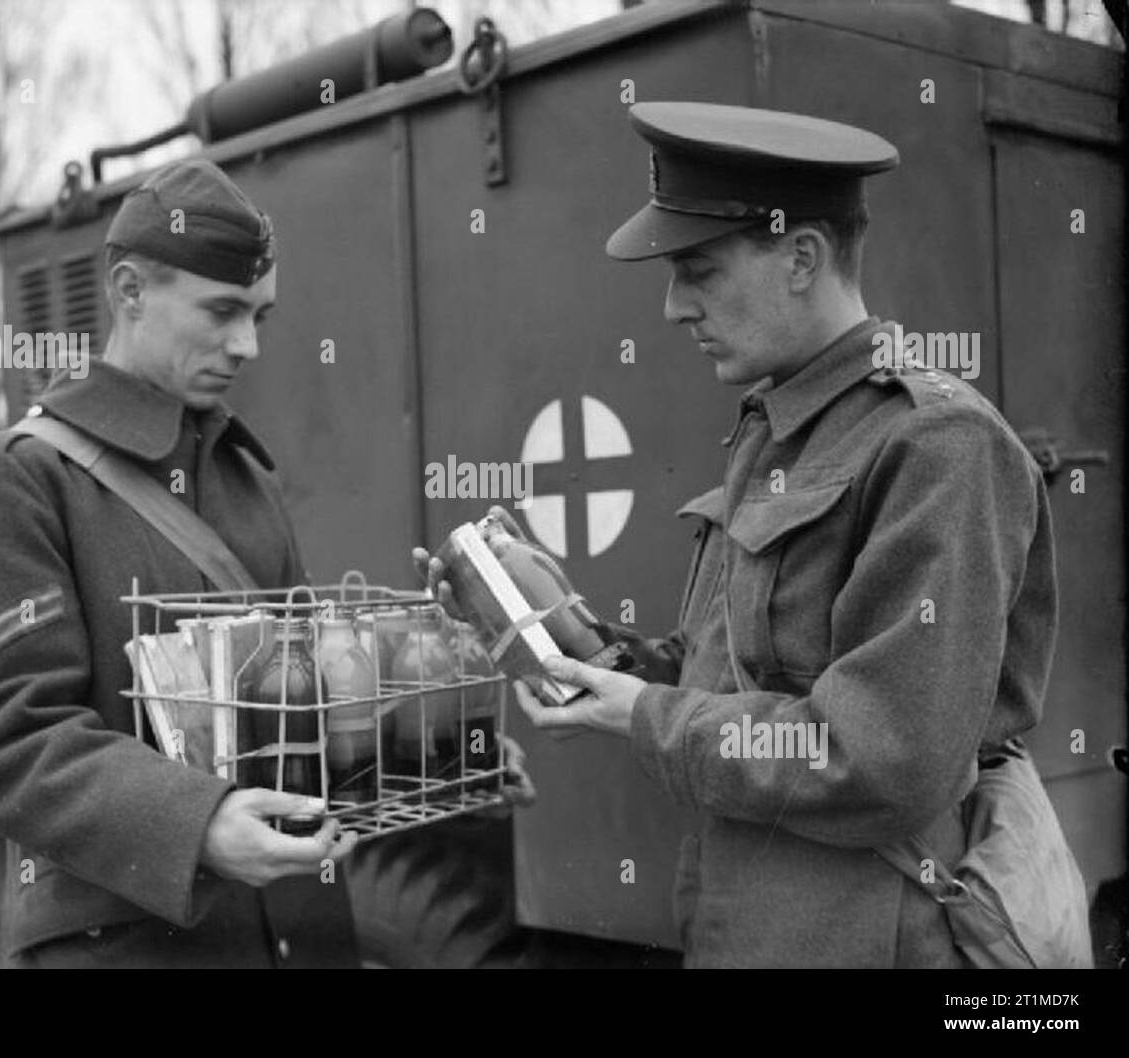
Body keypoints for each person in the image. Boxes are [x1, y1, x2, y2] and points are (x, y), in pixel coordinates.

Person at [422, 103, 1057, 968]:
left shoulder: (938, 446)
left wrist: (648, 717)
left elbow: (883, 760)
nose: (674, 307)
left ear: (801, 257)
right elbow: (725, 674)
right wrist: (562, 630)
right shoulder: (778, 422)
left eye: (700, 271)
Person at [0, 159, 357, 969]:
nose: (248, 344)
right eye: (223, 311)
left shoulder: (245, 475)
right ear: (129, 292)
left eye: (260, 314)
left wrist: (442, 754)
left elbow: (293, 696)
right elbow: (9, 738)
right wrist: (199, 824)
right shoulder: (17, 479)